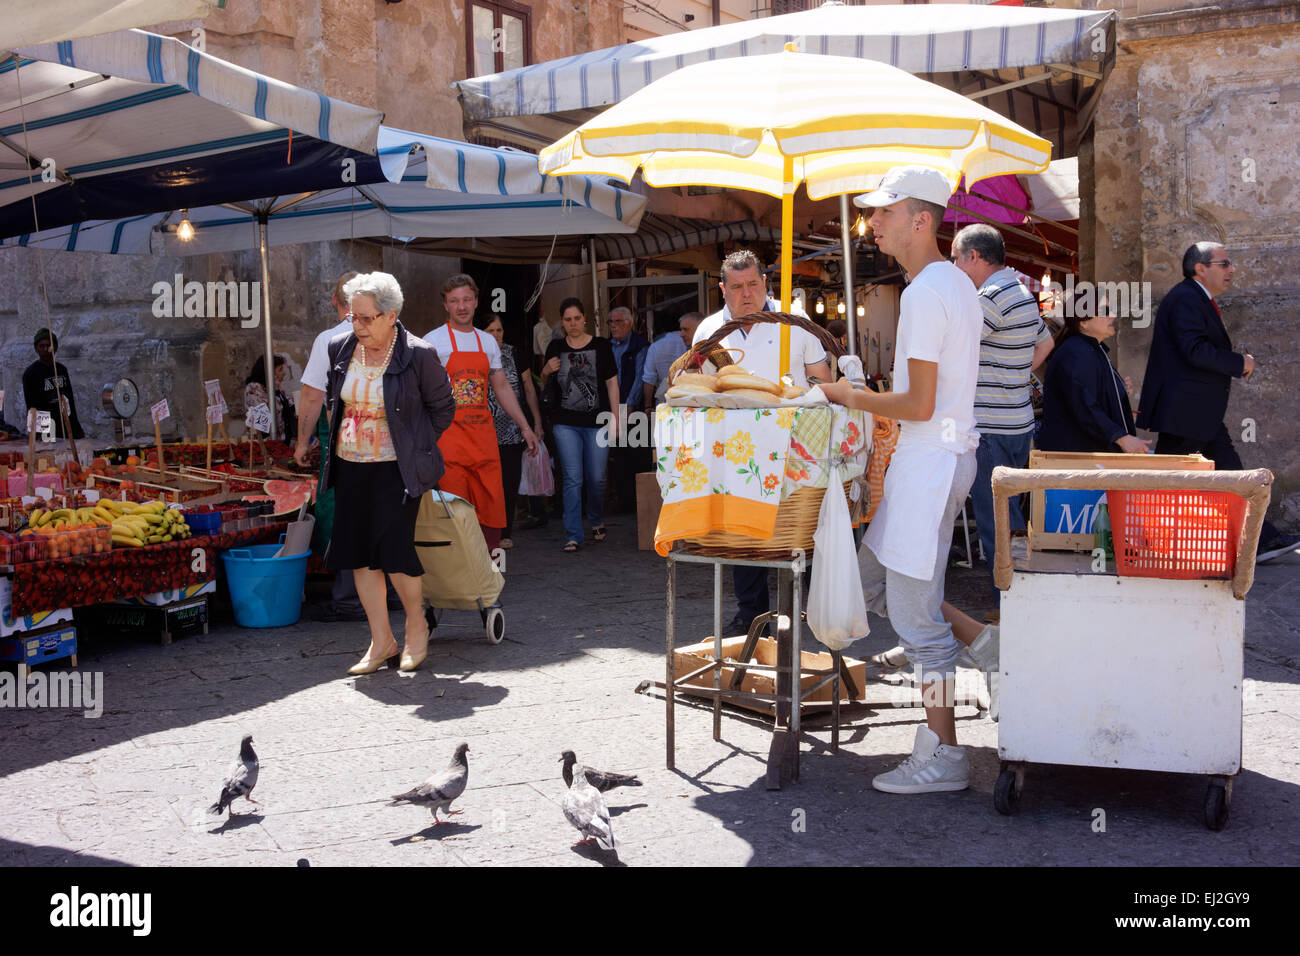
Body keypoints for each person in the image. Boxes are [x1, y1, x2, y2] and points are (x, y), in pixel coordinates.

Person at [820, 165, 997, 794]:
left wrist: (850, 395)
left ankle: (944, 755)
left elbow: (918, 403)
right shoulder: (949, 282)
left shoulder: (926, 291)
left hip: (929, 463)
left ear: (919, 220)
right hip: (934, 461)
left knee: (916, 620)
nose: (872, 223)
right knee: (873, 585)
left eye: (884, 212)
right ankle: (986, 646)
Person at [321, 272, 455, 675]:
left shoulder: (418, 354)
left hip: (397, 471)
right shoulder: (339, 348)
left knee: (395, 553)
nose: (357, 325)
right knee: (361, 557)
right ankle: (382, 640)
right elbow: (336, 401)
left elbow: (443, 408)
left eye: (366, 318)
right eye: (352, 317)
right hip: (350, 466)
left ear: (390, 316)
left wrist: (414, 445)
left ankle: (416, 628)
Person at [693, 250, 832, 634]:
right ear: (722, 289)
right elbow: (701, 387)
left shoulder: (795, 322)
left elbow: (821, 377)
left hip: (796, 444)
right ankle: (751, 613)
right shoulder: (709, 331)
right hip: (737, 448)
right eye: (736, 287)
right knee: (744, 532)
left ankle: (806, 611)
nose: (747, 293)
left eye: (753, 284)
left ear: (765, 283)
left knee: (797, 531)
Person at [1137, 242, 1298, 561]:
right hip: (1187, 413)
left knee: (1229, 475)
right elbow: (1194, 350)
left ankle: (1261, 539)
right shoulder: (1186, 298)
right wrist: (1239, 363)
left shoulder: (1195, 298)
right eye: (1224, 264)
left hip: (1197, 414)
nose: (1231, 270)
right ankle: (1149, 543)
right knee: (1171, 483)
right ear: (1201, 268)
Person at [950, 223, 1054, 618]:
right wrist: (1014, 376)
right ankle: (1019, 598)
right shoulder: (1021, 292)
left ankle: (1012, 606)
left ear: (974, 257)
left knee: (997, 524)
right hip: (1017, 423)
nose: (955, 266)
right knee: (1009, 518)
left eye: (957, 258)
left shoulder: (989, 297)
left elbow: (954, 343)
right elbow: (1046, 342)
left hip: (991, 427)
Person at [423, 275, 538, 553]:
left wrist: (525, 426)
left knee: (491, 507)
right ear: (446, 306)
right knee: (455, 510)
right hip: (449, 441)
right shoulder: (431, 342)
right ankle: (460, 582)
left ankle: (490, 577)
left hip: (484, 440)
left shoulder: (487, 342)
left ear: (475, 301)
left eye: (466, 300)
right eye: (454, 301)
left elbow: (501, 386)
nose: (461, 306)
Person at [295, 271, 374, 622]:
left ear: (334, 301)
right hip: (385, 440)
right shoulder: (393, 333)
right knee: (379, 508)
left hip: (345, 438)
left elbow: (312, 397)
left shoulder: (330, 339)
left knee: (344, 512)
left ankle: (348, 597)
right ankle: (387, 591)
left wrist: (301, 442)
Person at [541, 296, 620, 552]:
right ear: (562, 322)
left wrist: (616, 418)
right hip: (565, 422)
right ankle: (573, 533)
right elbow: (545, 384)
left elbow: (611, 383)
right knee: (573, 478)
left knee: (596, 478)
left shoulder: (601, 346)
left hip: (598, 421)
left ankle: (596, 519)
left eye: (577, 318)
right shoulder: (555, 347)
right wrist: (545, 371)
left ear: (585, 319)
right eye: (567, 319)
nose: (573, 324)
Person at [1037, 289, 1149, 455]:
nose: (1112, 315)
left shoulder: (1089, 349)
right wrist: (1122, 438)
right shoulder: (1076, 353)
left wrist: (1117, 390)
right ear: (1084, 322)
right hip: (1075, 457)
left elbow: (1091, 395)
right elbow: (1084, 406)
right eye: (1104, 311)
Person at [480, 313, 543, 550]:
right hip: (482, 430)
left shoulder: (514, 353)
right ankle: (484, 530)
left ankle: (505, 531)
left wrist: (535, 422)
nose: (496, 336)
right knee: (486, 484)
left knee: (508, 482)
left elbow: (528, 389)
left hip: (511, 429)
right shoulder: (475, 354)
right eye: (490, 331)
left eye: (499, 330)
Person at [607, 305, 650, 513]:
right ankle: (622, 501)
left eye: (618, 322)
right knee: (617, 455)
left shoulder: (640, 346)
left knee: (635, 455)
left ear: (629, 323)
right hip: (611, 409)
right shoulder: (607, 347)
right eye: (610, 322)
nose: (613, 326)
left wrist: (630, 404)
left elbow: (642, 377)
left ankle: (636, 503)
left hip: (632, 409)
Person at [22, 328, 84, 439]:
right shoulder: (31, 373)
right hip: (46, 426)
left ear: (55, 347)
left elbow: (69, 400)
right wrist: (40, 433)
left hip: (65, 423)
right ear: (36, 349)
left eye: (49, 345)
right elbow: (32, 405)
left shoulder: (61, 370)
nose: (46, 349)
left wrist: (76, 427)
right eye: (41, 346)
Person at [642, 311, 703, 409]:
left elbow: (649, 380)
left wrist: (648, 406)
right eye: (681, 329)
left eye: (685, 330)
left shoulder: (710, 352)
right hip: (673, 407)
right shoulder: (688, 351)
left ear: (700, 329)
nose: (681, 334)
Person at [243, 354, 296, 445]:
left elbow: (289, 404)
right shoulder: (254, 389)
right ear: (269, 373)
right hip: (265, 444)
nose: (284, 372)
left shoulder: (276, 389)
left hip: (282, 442)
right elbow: (262, 423)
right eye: (280, 370)